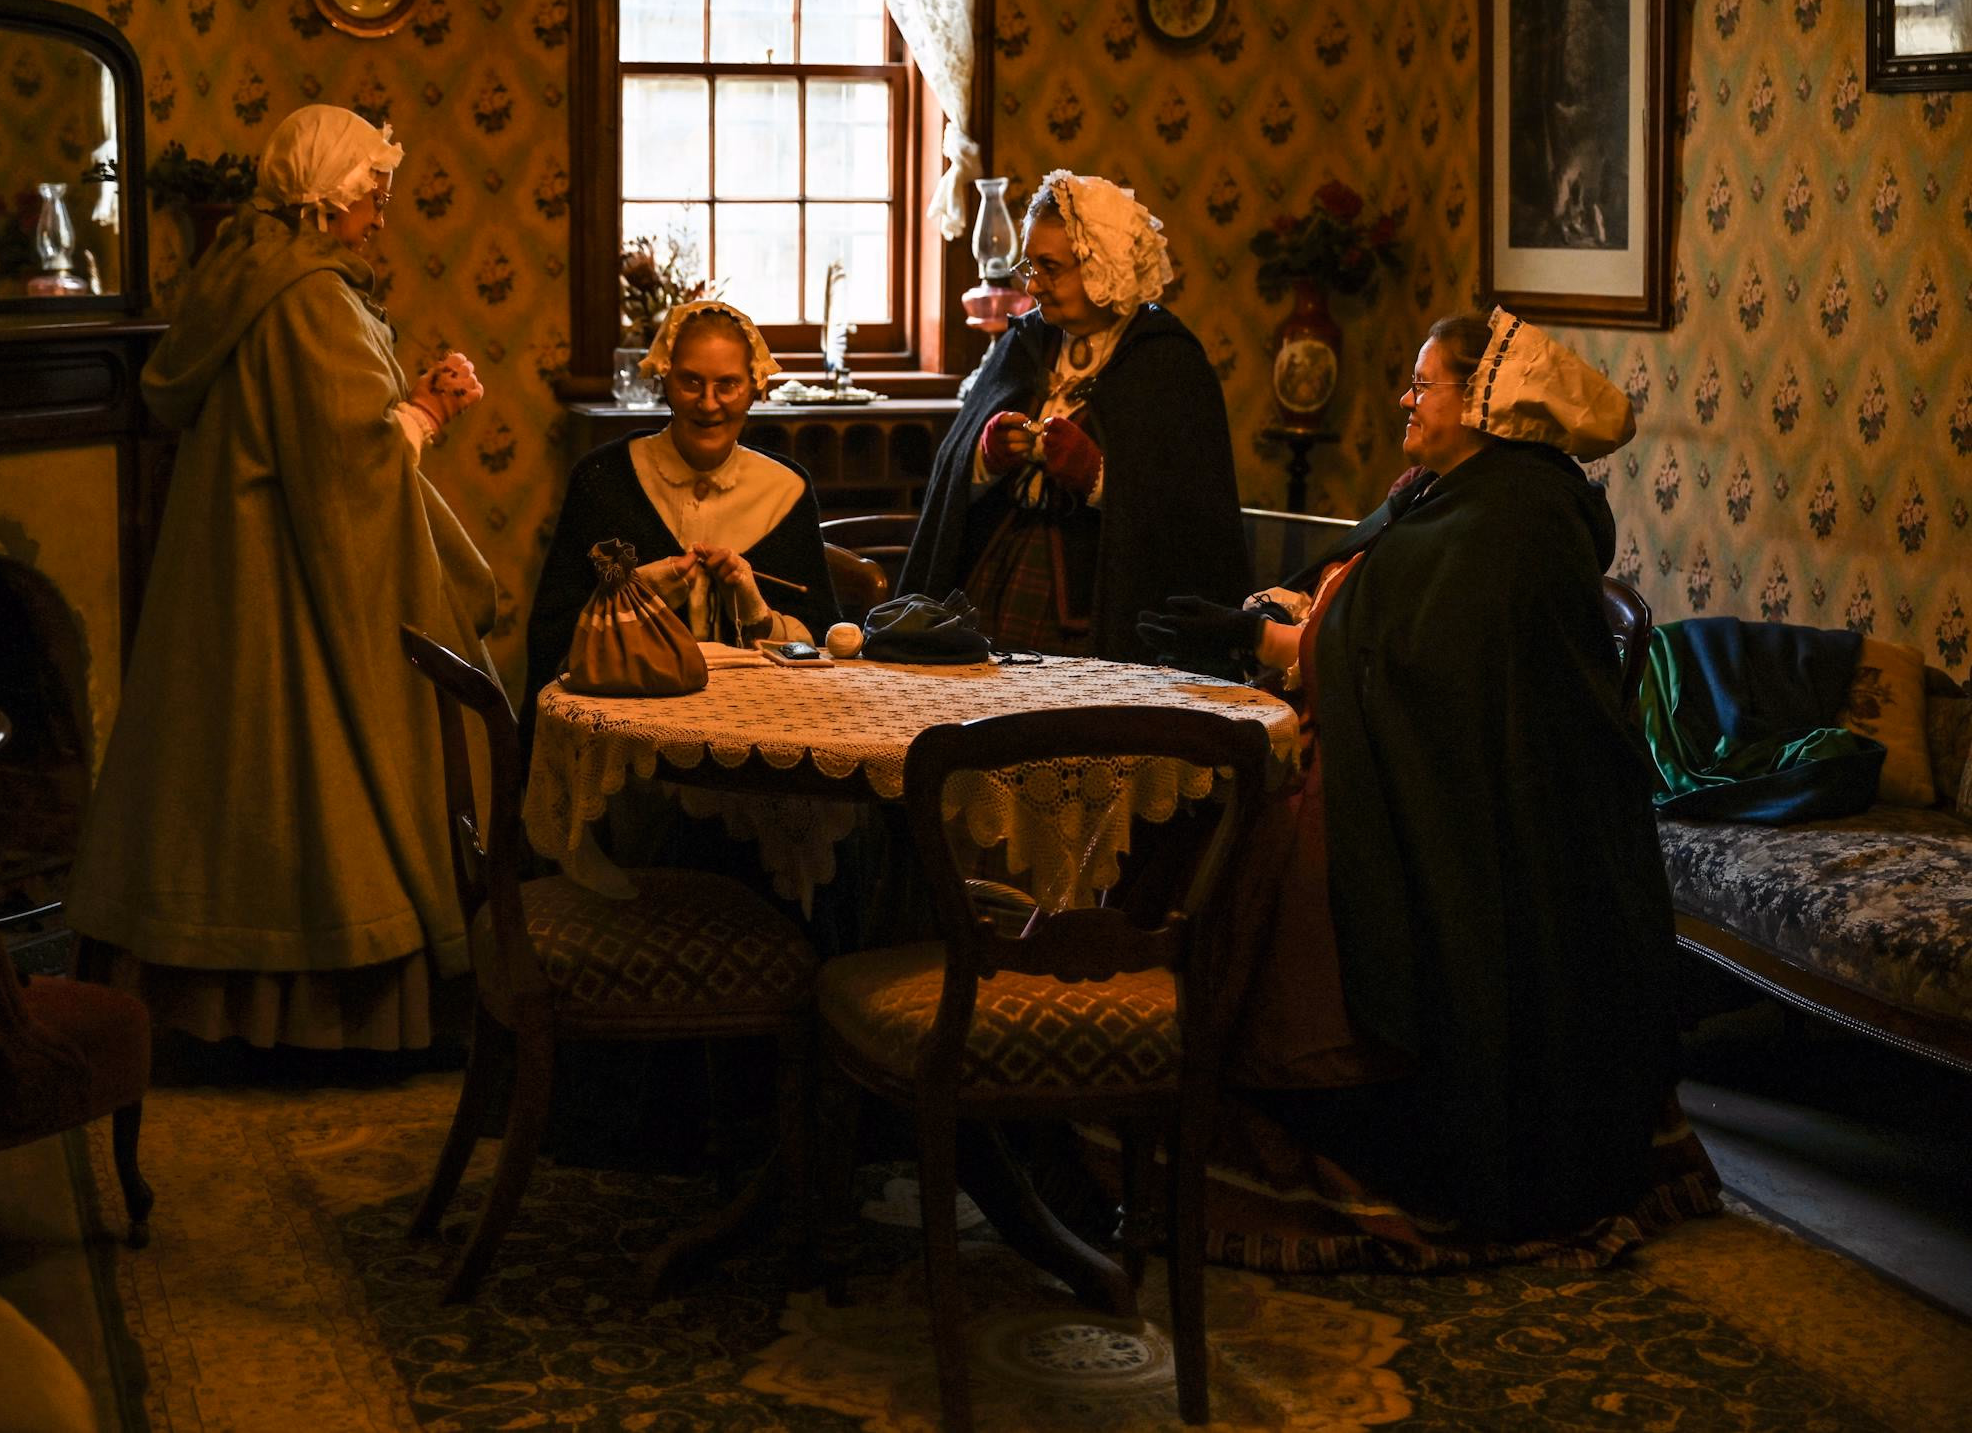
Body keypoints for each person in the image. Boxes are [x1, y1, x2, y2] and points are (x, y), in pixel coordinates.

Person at [1137, 309, 1714, 1264]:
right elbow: (1380, 626)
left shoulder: (1512, 518)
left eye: (1422, 384)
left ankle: (1286, 1106)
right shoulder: (1454, 493)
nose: (1405, 399)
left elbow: (1408, 663)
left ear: (1485, 402)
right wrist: (1274, 631)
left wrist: (1273, 643)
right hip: (1435, 760)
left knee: (1253, 846)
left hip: (1490, 804)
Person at [68, 105, 500, 1052]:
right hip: (286, 589)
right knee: (298, 778)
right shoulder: (310, 298)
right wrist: (428, 408)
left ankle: (198, 1003)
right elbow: (347, 461)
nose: (381, 217)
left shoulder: (242, 268)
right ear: (326, 199)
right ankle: (318, 1018)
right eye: (372, 198)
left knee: (217, 783)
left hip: (229, 565)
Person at [900, 171, 1249, 659]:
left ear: (1101, 267)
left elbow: (1191, 520)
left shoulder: (1167, 364)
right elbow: (952, 473)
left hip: (1106, 610)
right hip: (991, 580)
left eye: (1050, 267)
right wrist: (985, 458)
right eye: (1030, 265)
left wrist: (1099, 477)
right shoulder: (1023, 344)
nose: (1033, 285)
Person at [524, 300, 839, 716]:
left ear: (755, 387)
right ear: (665, 380)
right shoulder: (603, 479)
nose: (708, 404)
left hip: (761, 717)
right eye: (691, 382)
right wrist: (636, 593)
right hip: (631, 717)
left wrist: (758, 614)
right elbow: (553, 638)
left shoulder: (788, 490)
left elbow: (825, 645)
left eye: (727, 385)